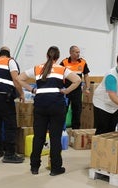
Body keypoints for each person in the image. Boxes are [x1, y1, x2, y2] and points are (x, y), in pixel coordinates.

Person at [16, 46, 81, 176]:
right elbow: (78, 80)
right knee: (55, 137)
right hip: (57, 104)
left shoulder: (37, 68)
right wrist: (66, 91)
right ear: (57, 58)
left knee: (38, 136)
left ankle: (34, 167)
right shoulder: (62, 69)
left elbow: (19, 78)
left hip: (40, 104)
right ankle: (55, 168)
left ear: (47, 56)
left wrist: (32, 89)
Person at [0, 46, 25, 163]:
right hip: (5, 97)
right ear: (9, 54)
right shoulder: (10, 61)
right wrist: (21, 93)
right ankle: (10, 154)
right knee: (10, 124)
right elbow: (16, 79)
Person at [60, 45, 91, 129]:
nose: (78, 54)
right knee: (63, 110)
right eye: (76, 52)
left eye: (79, 52)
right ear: (70, 52)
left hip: (77, 91)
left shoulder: (83, 62)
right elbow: (59, 75)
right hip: (66, 90)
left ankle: (75, 130)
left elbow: (86, 76)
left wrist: (87, 88)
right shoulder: (64, 62)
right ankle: (60, 128)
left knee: (77, 111)